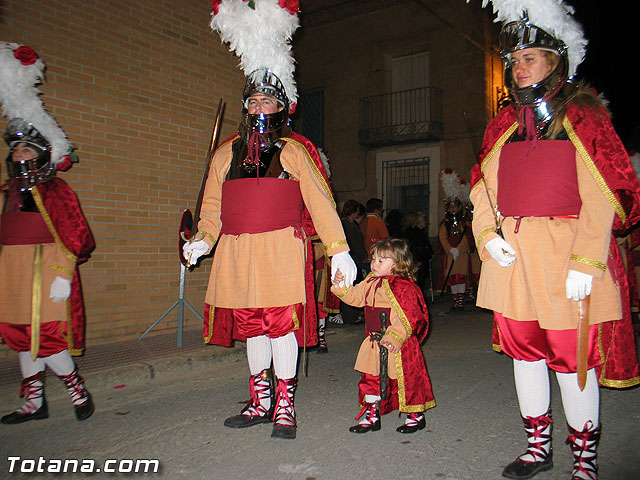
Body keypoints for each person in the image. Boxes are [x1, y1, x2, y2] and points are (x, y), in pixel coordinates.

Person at [469, 3, 640, 479]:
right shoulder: (502, 124)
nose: (520, 67)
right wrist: (488, 235)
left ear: (555, 61)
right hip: (516, 255)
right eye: (515, 60)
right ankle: (537, 447)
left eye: (530, 57)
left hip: (568, 253)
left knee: (572, 359)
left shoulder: (582, 115)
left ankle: (584, 457)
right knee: (525, 352)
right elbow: (482, 185)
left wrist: (586, 261)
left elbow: (602, 190)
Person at [183, 8, 357, 440]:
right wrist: (203, 240)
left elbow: (320, 202)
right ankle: (259, 399)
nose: (259, 106)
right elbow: (212, 206)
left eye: (267, 101)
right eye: (253, 101)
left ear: (282, 106)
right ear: (246, 105)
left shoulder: (297, 150)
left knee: (280, 325)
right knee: (251, 326)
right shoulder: (226, 152)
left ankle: (284, 404)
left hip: (280, 248)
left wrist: (339, 249)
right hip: (238, 251)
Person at [0, 43, 95, 424]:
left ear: (41, 154)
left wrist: (62, 275)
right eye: (16, 151)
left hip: (46, 271)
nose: (20, 156)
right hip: (12, 274)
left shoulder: (56, 191)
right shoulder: (6, 193)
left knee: (48, 337)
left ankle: (76, 389)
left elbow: (74, 235)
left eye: (27, 150)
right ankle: (34, 402)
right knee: (22, 336)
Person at [332, 238, 435, 433]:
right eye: (374, 259)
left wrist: (395, 336)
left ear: (397, 264)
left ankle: (415, 415)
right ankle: (372, 414)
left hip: (398, 344)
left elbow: (409, 316)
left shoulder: (403, 287)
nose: (374, 264)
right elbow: (356, 297)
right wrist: (341, 287)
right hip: (373, 342)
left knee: (404, 380)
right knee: (371, 378)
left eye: (381, 260)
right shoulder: (370, 281)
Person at [437, 190, 472, 313]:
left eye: (455, 206)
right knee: (452, 278)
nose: (453, 209)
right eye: (451, 207)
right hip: (450, 255)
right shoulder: (445, 223)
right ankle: (455, 301)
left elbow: (467, 237)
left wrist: (459, 249)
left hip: (461, 255)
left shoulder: (464, 222)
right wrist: (450, 249)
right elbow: (442, 237)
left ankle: (460, 302)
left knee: (460, 277)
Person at [336, 199, 367, 324]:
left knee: (356, 285)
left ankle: (355, 314)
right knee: (349, 286)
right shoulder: (345, 224)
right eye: (357, 212)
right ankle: (350, 316)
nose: (358, 214)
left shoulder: (353, 224)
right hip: (352, 258)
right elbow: (352, 243)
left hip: (357, 258)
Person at [402, 211, 433, 294]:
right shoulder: (414, 233)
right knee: (418, 282)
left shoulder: (419, 232)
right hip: (417, 260)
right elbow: (417, 247)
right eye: (424, 220)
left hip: (419, 260)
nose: (425, 222)